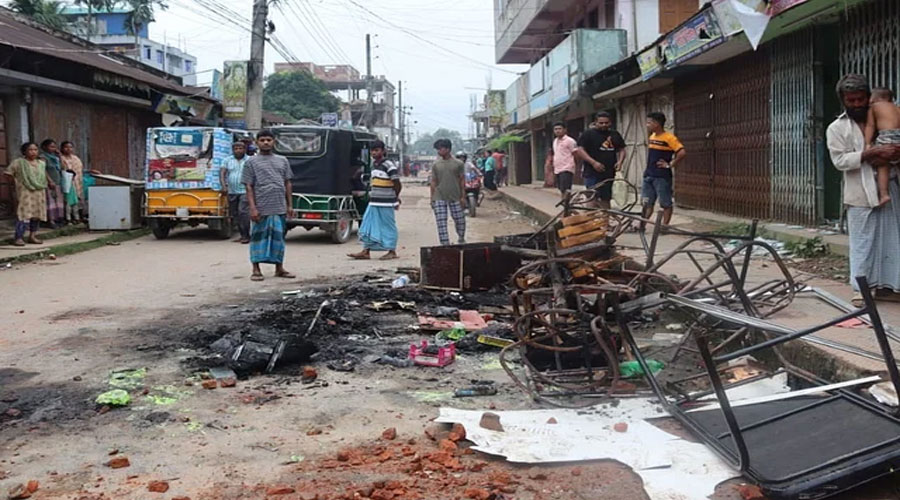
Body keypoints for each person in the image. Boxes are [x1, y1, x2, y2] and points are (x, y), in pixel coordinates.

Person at [827, 74, 900, 305]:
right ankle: (861, 289)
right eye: (852, 101)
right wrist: (871, 154)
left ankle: (889, 287)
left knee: (891, 239)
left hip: (891, 186)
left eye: (861, 99)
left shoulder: (881, 116)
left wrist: (893, 156)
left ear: (868, 97)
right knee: (863, 242)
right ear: (843, 101)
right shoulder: (837, 128)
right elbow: (839, 161)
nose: (857, 104)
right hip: (860, 192)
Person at [242, 130, 295, 281]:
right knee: (258, 237)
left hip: (279, 206)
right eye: (263, 140)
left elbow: (288, 183)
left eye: (269, 140)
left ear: (274, 142)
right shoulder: (251, 162)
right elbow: (249, 186)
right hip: (261, 206)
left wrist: (290, 205)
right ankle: (256, 269)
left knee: (279, 238)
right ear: (257, 142)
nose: (266, 142)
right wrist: (252, 207)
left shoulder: (283, 160)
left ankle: (279, 268)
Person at [348, 140, 401, 261]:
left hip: (386, 202)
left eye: (376, 150)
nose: (374, 153)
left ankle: (392, 251)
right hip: (374, 201)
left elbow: (397, 183)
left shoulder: (389, 165)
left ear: (383, 151)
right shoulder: (374, 165)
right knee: (368, 225)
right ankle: (366, 251)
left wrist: (396, 197)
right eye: (372, 150)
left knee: (388, 225)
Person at [642, 112, 686, 226]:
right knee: (647, 203)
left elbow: (681, 152)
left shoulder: (669, 138)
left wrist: (670, 164)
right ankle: (642, 225)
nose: (647, 125)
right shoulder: (652, 137)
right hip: (649, 175)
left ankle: (665, 226)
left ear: (656, 123)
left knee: (665, 203)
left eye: (649, 122)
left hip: (661, 176)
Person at [576, 112, 626, 209]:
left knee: (605, 198)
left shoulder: (614, 134)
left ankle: (605, 222)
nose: (604, 125)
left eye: (606, 123)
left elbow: (622, 149)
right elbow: (580, 150)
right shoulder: (588, 134)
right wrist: (593, 162)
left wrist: (620, 162)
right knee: (591, 197)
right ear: (596, 122)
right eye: (601, 123)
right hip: (591, 172)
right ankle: (590, 222)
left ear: (610, 123)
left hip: (608, 173)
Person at [3, 142, 49, 246]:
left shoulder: (41, 163)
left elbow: (44, 174)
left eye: (35, 150)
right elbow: (7, 174)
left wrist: (50, 182)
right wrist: (14, 185)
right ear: (24, 151)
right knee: (23, 215)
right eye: (30, 150)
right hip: (25, 192)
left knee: (37, 215)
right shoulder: (18, 162)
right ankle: (18, 237)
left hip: (39, 192)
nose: (33, 152)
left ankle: (32, 236)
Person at [864, 87, 900, 206]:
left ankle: (884, 194)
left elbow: (870, 125)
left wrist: (868, 143)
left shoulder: (875, 107)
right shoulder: (897, 108)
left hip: (887, 136)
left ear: (875, 99)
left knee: (883, 165)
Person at [430, 139, 466, 245]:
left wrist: (463, 196)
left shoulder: (458, 164)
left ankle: (461, 237)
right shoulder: (436, 164)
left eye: (440, 149)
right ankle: (445, 244)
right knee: (441, 222)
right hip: (439, 196)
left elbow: (462, 180)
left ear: (448, 149)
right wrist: (432, 198)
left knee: (460, 220)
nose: (438, 151)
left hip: (455, 195)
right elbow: (433, 181)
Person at [220, 141, 251, 243]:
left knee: (243, 212)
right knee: (235, 214)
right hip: (232, 191)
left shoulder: (250, 160)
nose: (238, 150)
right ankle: (242, 235)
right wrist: (224, 186)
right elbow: (222, 173)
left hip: (245, 191)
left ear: (245, 149)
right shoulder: (227, 160)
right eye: (236, 148)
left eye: (240, 148)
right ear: (233, 150)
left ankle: (246, 236)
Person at [40, 139, 64, 228]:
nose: (53, 149)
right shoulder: (43, 157)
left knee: (58, 201)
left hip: (58, 181)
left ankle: (58, 219)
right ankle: (51, 221)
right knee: (50, 202)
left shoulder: (56, 158)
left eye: (54, 147)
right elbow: (43, 170)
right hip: (49, 182)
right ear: (44, 147)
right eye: (51, 146)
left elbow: (63, 167)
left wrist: (60, 156)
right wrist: (50, 181)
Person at [551, 122, 578, 199]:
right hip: (557, 169)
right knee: (561, 189)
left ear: (565, 130)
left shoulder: (570, 141)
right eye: (555, 129)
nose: (557, 131)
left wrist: (574, 165)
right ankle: (565, 206)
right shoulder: (555, 141)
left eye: (559, 129)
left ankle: (567, 207)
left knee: (566, 189)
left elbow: (576, 154)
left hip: (567, 168)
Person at [59, 141, 85, 223]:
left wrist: (90, 171)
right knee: (67, 202)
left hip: (77, 181)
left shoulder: (76, 158)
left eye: (70, 147)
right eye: (66, 147)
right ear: (62, 148)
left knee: (76, 201)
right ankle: (67, 218)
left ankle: (77, 217)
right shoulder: (61, 158)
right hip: (67, 182)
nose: (68, 149)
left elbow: (79, 170)